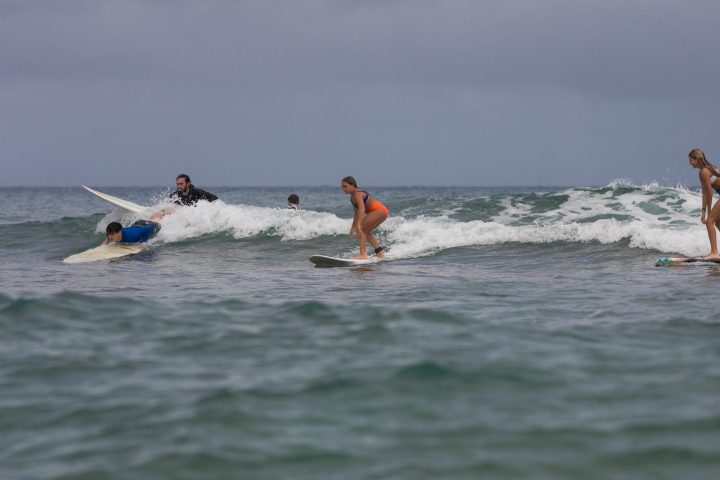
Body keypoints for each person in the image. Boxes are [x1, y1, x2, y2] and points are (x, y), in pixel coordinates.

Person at [341, 176, 389, 259]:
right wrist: (353, 227)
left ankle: (363, 254)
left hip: (379, 210)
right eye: (342, 187)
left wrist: (359, 225)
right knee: (366, 231)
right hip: (382, 211)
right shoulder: (352, 198)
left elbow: (362, 209)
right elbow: (356, 213)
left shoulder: (357, 193)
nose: (343, 189)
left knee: (361, 228)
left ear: (353, 185)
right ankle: (379, 253)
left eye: (345, 186)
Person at [688, 148, 720, 258]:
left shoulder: (704, 172)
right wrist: (703, 211)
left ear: (697, 159)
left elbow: (710, 194)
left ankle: (714, 253)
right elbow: (705, 193)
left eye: (691, 160)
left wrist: (709, 213)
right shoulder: (709, 168)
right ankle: (715, 252)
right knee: (718, 223)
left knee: (710, 221)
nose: (689, 163)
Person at [150, 174, 219, 221]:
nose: (179, 186)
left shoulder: (197, 192)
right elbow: (170, 206)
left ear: (188, 183)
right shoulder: (175, 195)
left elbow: (214, 198)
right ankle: (153, 220)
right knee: (165, 210)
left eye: (181, 184)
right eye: (177, 184)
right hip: (181, 215)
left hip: (194, 216)